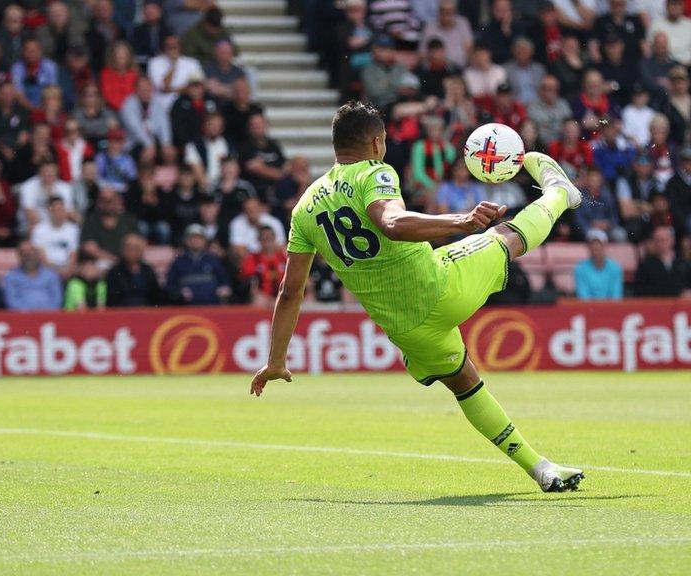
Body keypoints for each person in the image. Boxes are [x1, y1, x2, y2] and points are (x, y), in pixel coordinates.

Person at [250, 101, 586, 493]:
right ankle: (561, 193)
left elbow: (291, 292)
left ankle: (540, 468)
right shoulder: (374, 173)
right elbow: (391, 222)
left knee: (465, 384)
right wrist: (459, 220)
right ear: (376, 142)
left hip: (408, 329)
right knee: (506, 239)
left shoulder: (305, 206)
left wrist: (275, 361)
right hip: (440, 287)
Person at [166, 224, 232, 305]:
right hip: (186, 308)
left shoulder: (214, 260)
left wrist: (224, 290)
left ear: (205, 241)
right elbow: (170, 287)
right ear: (186, 241)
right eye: (192, 238)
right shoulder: (178, 262)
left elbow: (225, 283)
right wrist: (179, 292)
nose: (196, 241)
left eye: (199, 238)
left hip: (212, 306)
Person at [106, 233, 167, 306]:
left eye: (136, 248)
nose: (132, 252)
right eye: (129, 248)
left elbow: (156, 296)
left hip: (147, 312)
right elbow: (112, 299)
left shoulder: (148, 270)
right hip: (122, 312)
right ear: (123, 250)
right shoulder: (115, 272)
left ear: (141, 250)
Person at [3, 240, 63, 310]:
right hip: (21, 317)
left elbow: (56, 301)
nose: (28, 258)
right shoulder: (11, 276)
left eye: (31, 254)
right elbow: (11, 302)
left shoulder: (51, 275)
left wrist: (43, 314)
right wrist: (29, 314)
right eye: (25, 255)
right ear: (19, 256)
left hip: (49, 316)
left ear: (37, 254)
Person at [30, 196, 80, 278]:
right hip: (46, 270)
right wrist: (57, 271)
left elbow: (73, 254)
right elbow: (42, 258)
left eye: (60, 209)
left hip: (68, 269)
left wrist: (68, 270)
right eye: (55, 210)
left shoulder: (73, 229)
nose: (58, 213)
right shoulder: (39, 229)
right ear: (49, 211)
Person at [634, 226, 691, 297]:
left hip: (682, 306)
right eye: (659, 240)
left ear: (672, 240)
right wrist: (677, 293)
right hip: (656, 305)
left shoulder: (684, 264)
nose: (663, 243)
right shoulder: (645, 266)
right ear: (654, 242)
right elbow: (640, 291)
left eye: (666, 239)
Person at [573, 230, 623, 300]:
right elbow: (583, 297)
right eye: (592, 244)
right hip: (587, 309)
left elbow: (616, 296)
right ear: (588, 247)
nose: (595, 247)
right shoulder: (580, 268)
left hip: (611, 308)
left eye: (599, 244)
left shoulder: (615, 268)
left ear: (605, 246)